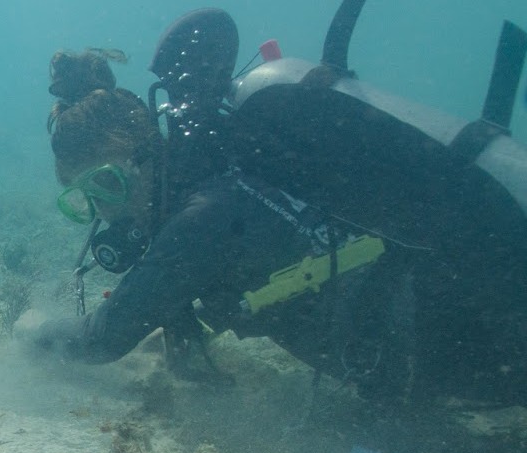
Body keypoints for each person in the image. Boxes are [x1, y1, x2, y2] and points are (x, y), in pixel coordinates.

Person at [26, 47, 527, 408]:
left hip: (460, 345)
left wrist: (29, 333)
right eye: (85, 199)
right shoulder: (222, 189)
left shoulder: (202, 220)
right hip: (446, 326)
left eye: (109, 185)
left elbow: (101, 340)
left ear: (147, 157)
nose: (104, 212)